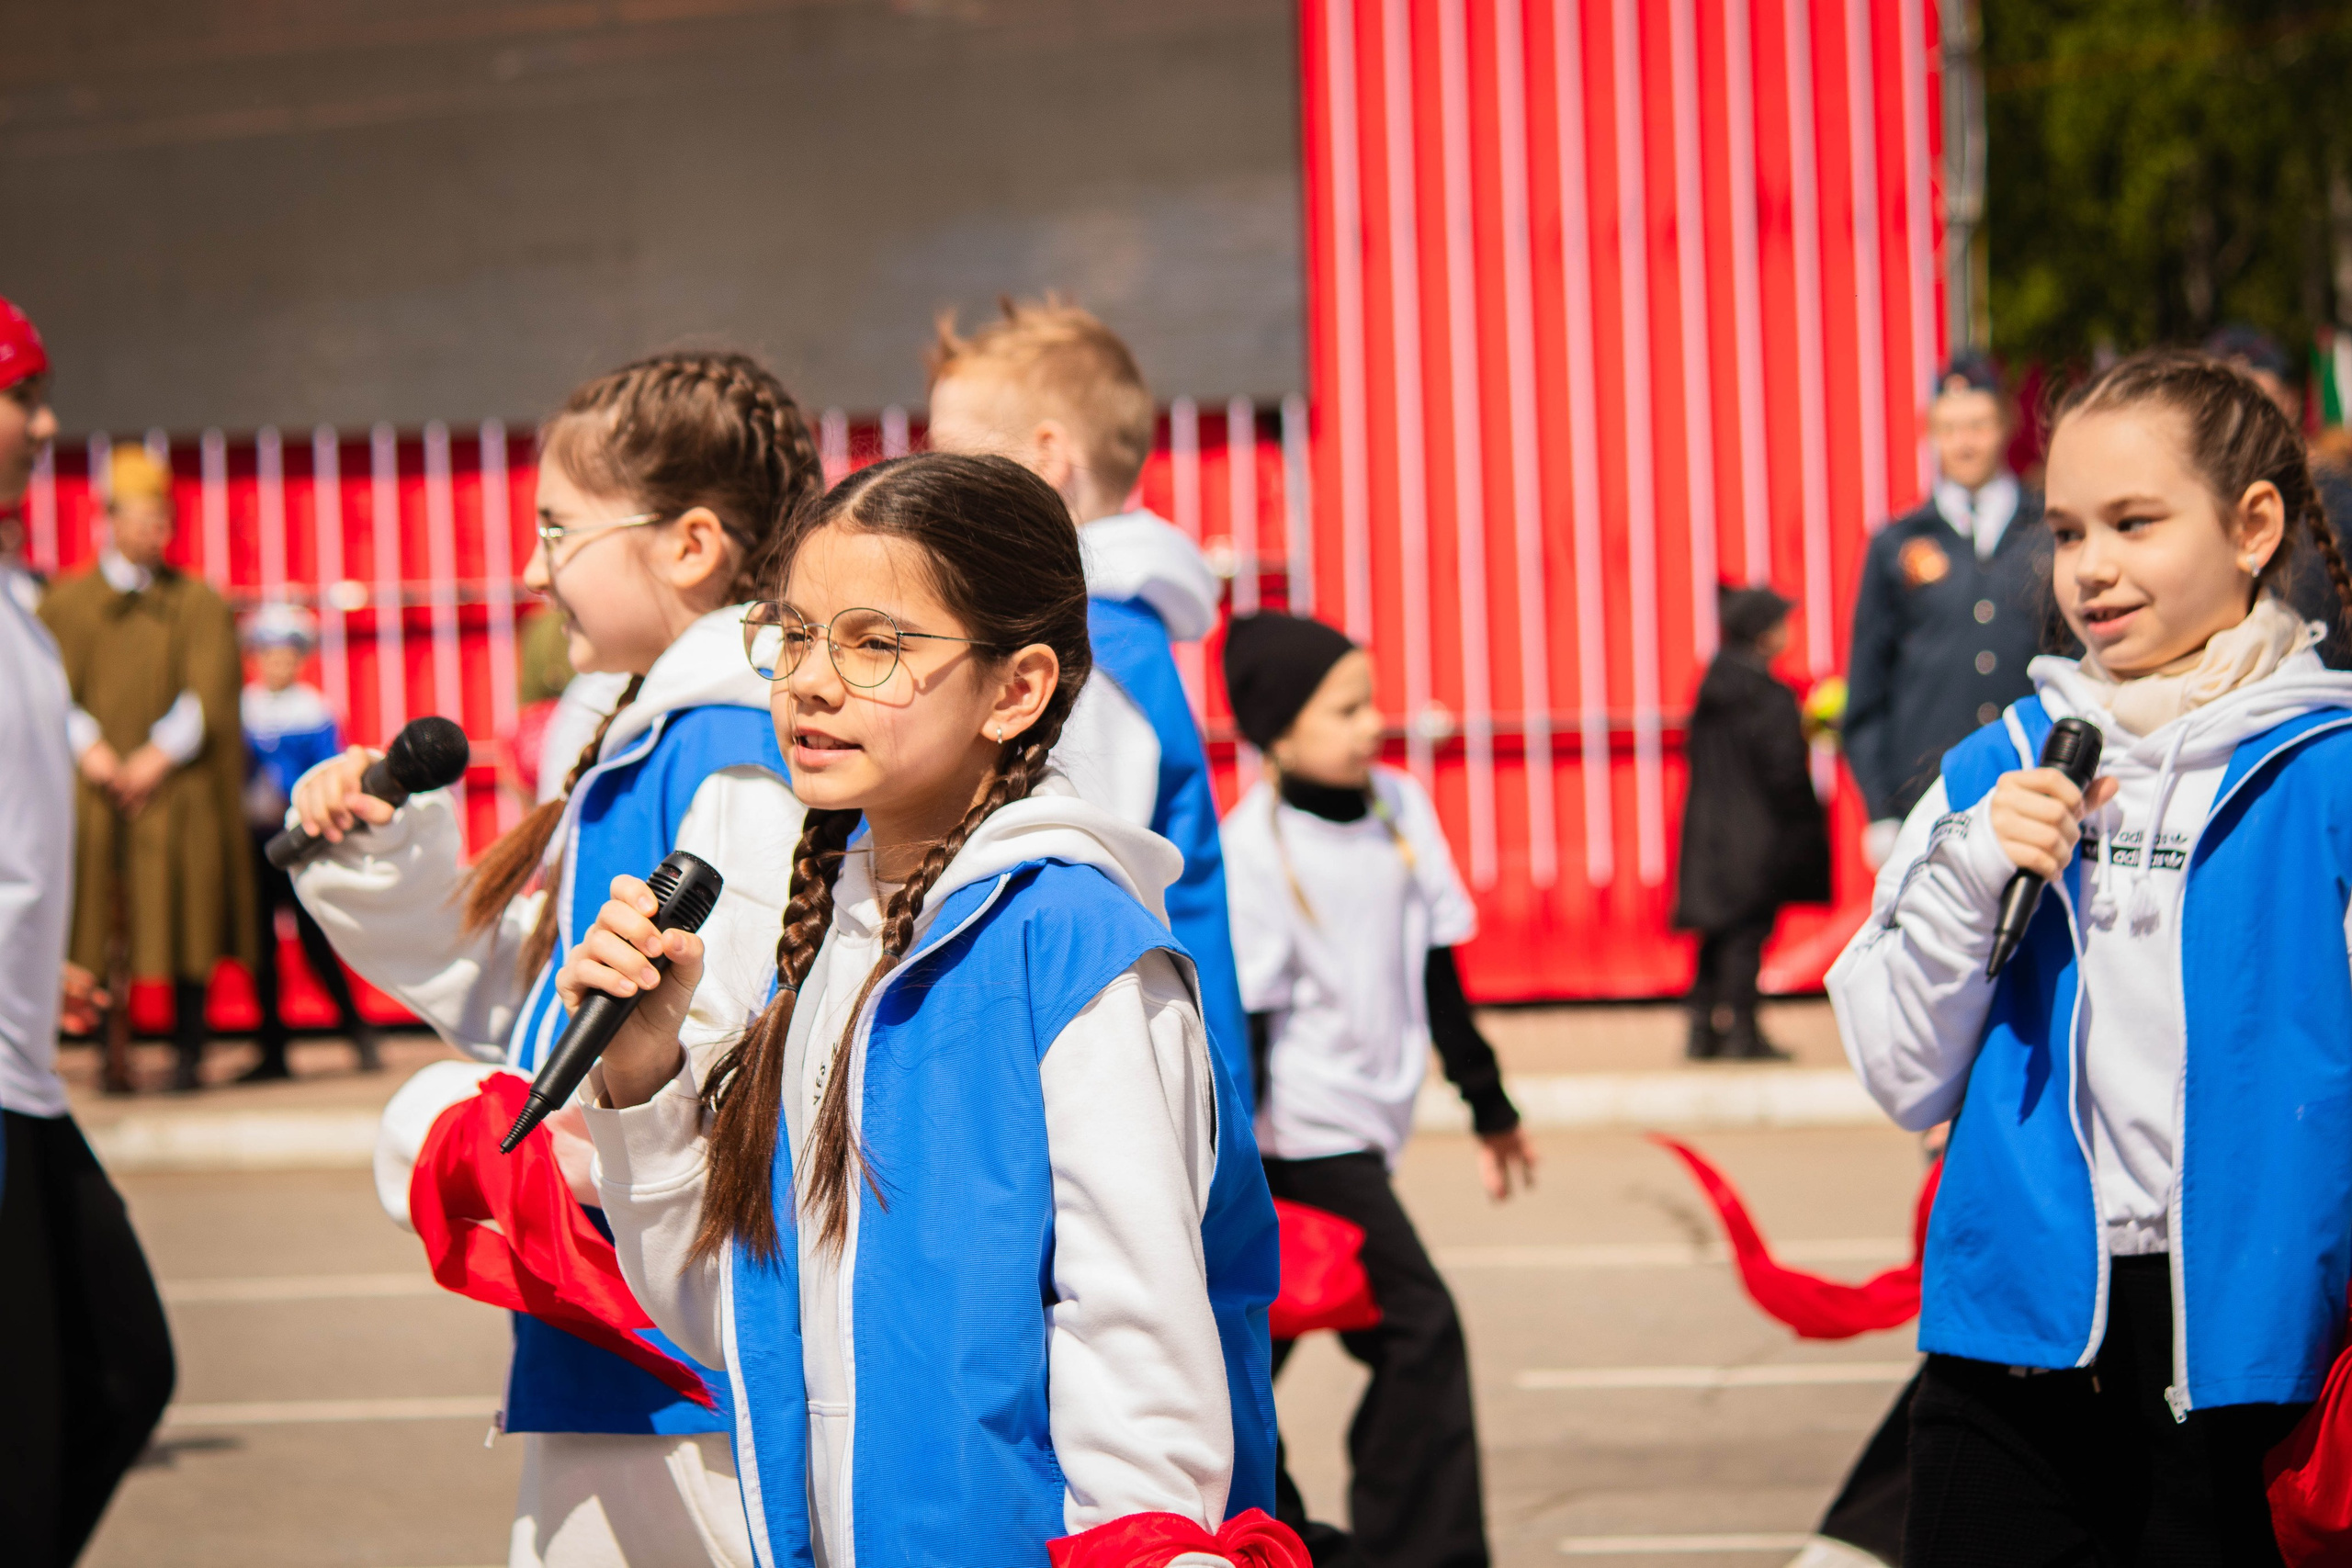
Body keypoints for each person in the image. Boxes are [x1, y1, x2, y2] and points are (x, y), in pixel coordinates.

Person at [566, 452, 1289, 1566]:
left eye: (874, 644)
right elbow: (742, 1327)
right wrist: (644, 1077)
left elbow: (1142, 1375)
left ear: (1017, 688)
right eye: (795, 636)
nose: (810, 680)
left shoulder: (1076, 953)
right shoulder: (832, 937)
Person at [288, 352, 820, 1568]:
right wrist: (394, 856)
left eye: (557, 530)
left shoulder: (730, 753)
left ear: (691, 544)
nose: (532, 571)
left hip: (681, 1369)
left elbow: (706, 1086)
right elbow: (536, 1014)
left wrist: (457, 1131)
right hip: (632, 1345)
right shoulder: (655, 735)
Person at [1828, 349, 2352, 1564]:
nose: (2092, 567)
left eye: (2135, 521)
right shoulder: (1998, 764)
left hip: (2260, 1352)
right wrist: (1972, 866)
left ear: (2253, 525)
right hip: (2012, 1342)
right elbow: (1903, 1073)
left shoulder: (2327, 769)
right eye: (2068, 530)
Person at [1218, 610, 1537, 1568]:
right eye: (1346, 709)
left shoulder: (1399, 804)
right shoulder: (1253, 848)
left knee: (1236, 1358)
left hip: (1364, 1124)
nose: (1372, 725)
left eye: (1370, 703)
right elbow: (1254, 1026)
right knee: (1418, 1328)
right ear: (1278, 730)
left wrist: (1490, 1107)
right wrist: (1231, 1168)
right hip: (1299, 1137)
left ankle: (1244, 1526)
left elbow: (1439, 968)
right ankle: (1417, 1554)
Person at [923, 298, 1256, 1107]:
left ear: (1045, 457)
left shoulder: (1087, 648)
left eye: (950, 457)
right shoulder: (1107, 628)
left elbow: (1073, 862)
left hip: (1133, 1073)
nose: (932, 485)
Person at [0, 293, 177, 1567]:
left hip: (23, 1074)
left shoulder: (18, 599)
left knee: (120, 1370)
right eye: (23, 392)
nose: (43, 421)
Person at [40, 445, 254, 1093]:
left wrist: (156, 757)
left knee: (186, 906)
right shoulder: (67, 603)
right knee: (98, 917)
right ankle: (110, 1049)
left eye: (162, 518)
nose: (152, 531)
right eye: (140, 517)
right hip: (93, 787)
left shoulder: (195, 601)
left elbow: (208, 692)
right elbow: (50, 690)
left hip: (172, 789)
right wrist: (94, 751)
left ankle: (190, 1047)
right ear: (108, 517)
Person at [1845, 354, 2051, 868]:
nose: (1964, 442)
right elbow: (1868, 690)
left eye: (1978, 425)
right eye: (1950, 428)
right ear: (1931, 434)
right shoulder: (1897, 542)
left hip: (2034, 787)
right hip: (1927, 801)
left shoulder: (2049, 532)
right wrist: (1880, 811)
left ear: (2005, 425)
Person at [1672, 587, 1831, 1061]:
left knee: (1715, 934)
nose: (1790, 633)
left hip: (1708, 829)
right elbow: (1785, 772)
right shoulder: (1769, 697)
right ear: (1764, 636)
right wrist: (1806, 826)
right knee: (1747, 934)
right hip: (1756, 834)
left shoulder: (1712, 688)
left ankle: (1702, 1031)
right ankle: (1743, 1032)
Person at [238, 602, 380, 1081]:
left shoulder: (313, 709)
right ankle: (272, 1048)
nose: (277, 662)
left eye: (287, 653)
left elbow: (329, 769)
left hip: (300, 841)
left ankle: (358, 1035)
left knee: (315, 939)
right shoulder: (244, 706)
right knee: (259, 948)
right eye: (268, 652)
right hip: (253, 840)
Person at [2204, 323, 2352, 668]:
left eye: (2253, 395)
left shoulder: (2340, 497)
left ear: (2290, 398)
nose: (2237, 415)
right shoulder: (2183, 506)